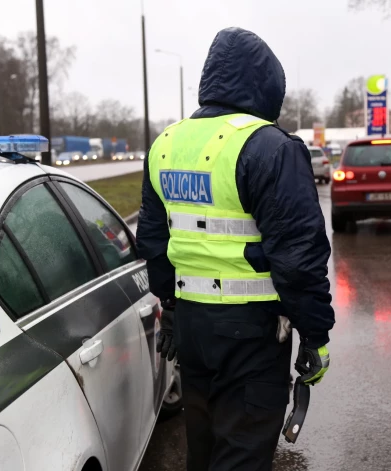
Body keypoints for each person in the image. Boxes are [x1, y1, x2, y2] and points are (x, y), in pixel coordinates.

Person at [137, 26, 335, 471]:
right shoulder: (269, 147)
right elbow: (299, 257)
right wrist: (316, 335)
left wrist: (170, 306)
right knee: (243, 452)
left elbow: (154, 240)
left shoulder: (165, 145)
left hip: (192, 325)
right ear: (266, 86)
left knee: (203, 450)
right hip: (250, 331)